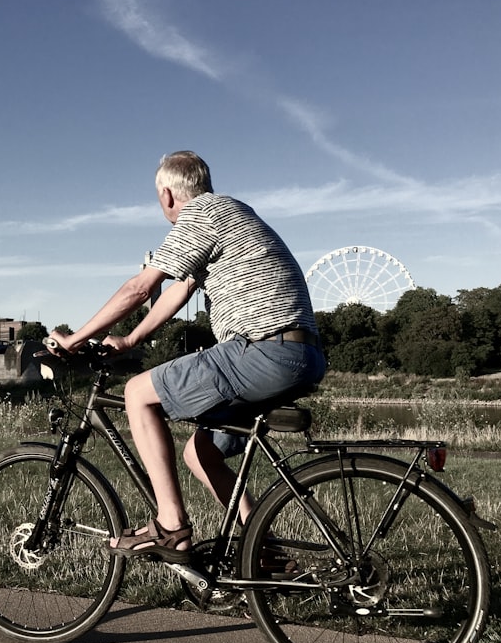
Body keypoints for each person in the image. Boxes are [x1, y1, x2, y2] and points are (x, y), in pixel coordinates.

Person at [47, 150, 326, 564]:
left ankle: (170, 525)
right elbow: (181, 290)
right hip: (300, 353)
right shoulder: (231, 213)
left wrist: (76, 340)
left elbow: (141, 289)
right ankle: (260, 548)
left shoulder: (200, 215)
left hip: (262, 349)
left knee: (138, 393)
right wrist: (130, 340)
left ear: (167, 193)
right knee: (200, 453)